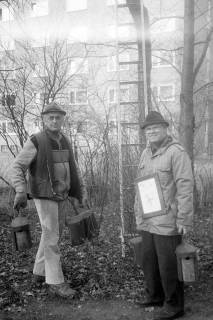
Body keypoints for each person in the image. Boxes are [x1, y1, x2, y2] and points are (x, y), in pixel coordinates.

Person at [9, 102, 85, 298]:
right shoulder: (36, 140)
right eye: (50, 117)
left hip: (61, 195)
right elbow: (16, 167)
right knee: (52, 238)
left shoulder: (64, 140)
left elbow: (73, 169)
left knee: (50, 234)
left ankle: (39, 271)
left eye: (58, 117)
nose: (54, 120)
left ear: (62, 119)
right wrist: (20, 189)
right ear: (43, 119)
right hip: (44, 195)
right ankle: (56, 281)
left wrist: (77, 194)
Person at [134, 111, 194, 320]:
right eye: (148, 129)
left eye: (155, 128)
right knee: (149, 261)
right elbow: (141, 188)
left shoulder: (176, 152)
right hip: (148, 220)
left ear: (165, 128)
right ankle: (155, 296)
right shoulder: (145, 154)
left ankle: (174, 305)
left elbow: (185, 186)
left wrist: (184, 218)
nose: (151, 131)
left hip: (168, 219)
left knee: (168, 264)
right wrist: (138, 216)